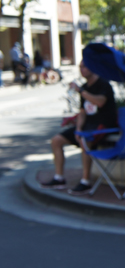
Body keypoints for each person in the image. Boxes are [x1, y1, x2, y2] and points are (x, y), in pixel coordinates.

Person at [40, 61, 118, 195]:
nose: (81, 69)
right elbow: (82, 112)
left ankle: (85, 181)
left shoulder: (103, 84)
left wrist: (81, 91)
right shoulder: (84, 87)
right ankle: (59, 178)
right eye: (80, 67)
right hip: (86, 127)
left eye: (85, 66)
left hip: (103, 127)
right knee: (56, 140)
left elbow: (100, 102)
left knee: (84, 141)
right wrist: (79, 128)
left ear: (93, 67)